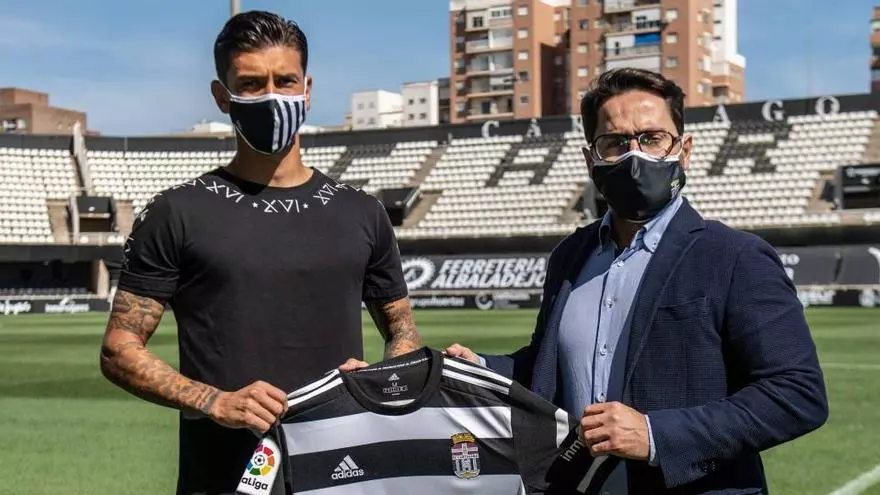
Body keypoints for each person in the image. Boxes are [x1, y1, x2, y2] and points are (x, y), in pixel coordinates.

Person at [446, 68, 828, 494]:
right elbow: (550, 365)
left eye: (651, 138)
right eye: (615, 143)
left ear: (684, 150)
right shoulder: (569, 256)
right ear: (590, 159)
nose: (634, 156)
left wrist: (654, 435)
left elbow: (797, 394)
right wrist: (483, 369)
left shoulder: (735, 256)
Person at [98, 11, 421, 495]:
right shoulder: (176, 212)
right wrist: (214, 401)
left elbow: (403, 333)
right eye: (251, 84)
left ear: (307, 89)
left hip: (344, 476)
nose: (271, 96)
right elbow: (119, 349)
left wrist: (381, 379)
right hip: (222, 480)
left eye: (285, 81)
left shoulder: (363, 212)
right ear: (221, 96)